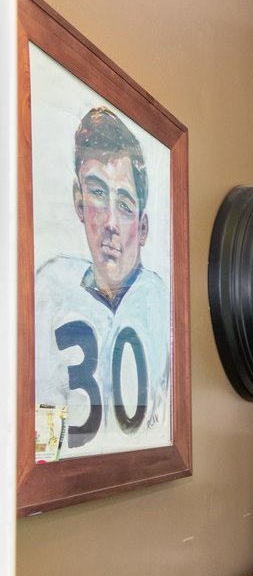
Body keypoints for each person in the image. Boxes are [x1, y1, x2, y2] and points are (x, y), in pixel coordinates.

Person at [33, 105, 171, 457]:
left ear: (142, 228)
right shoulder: (49, 289)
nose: (109, 221)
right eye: (97, 194)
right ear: (79, 201)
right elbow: (43, 446)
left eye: (124, 205)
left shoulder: (160, 300)